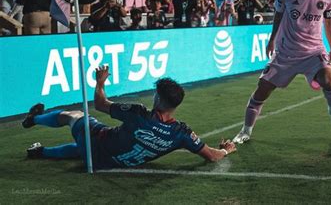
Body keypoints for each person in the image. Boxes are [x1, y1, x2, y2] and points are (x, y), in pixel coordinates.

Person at [22, 65, 236, 169]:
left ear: (158, 99)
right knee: (84, 147)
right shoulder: (181, 133)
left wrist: (100, 82)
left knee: (74, 115)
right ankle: (41, 152)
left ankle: (35, 119)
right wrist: (225, 149)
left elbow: (100, 104)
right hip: (113, 162)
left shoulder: (138, 114)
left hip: (98, 144)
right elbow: (211, 155)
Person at [233, 0, 331, 144]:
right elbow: (278, 14)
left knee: (328, 79)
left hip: (314, 51)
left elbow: (329, 20)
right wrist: (272, 40)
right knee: (262, 90)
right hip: (286, 52)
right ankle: (246, 131)